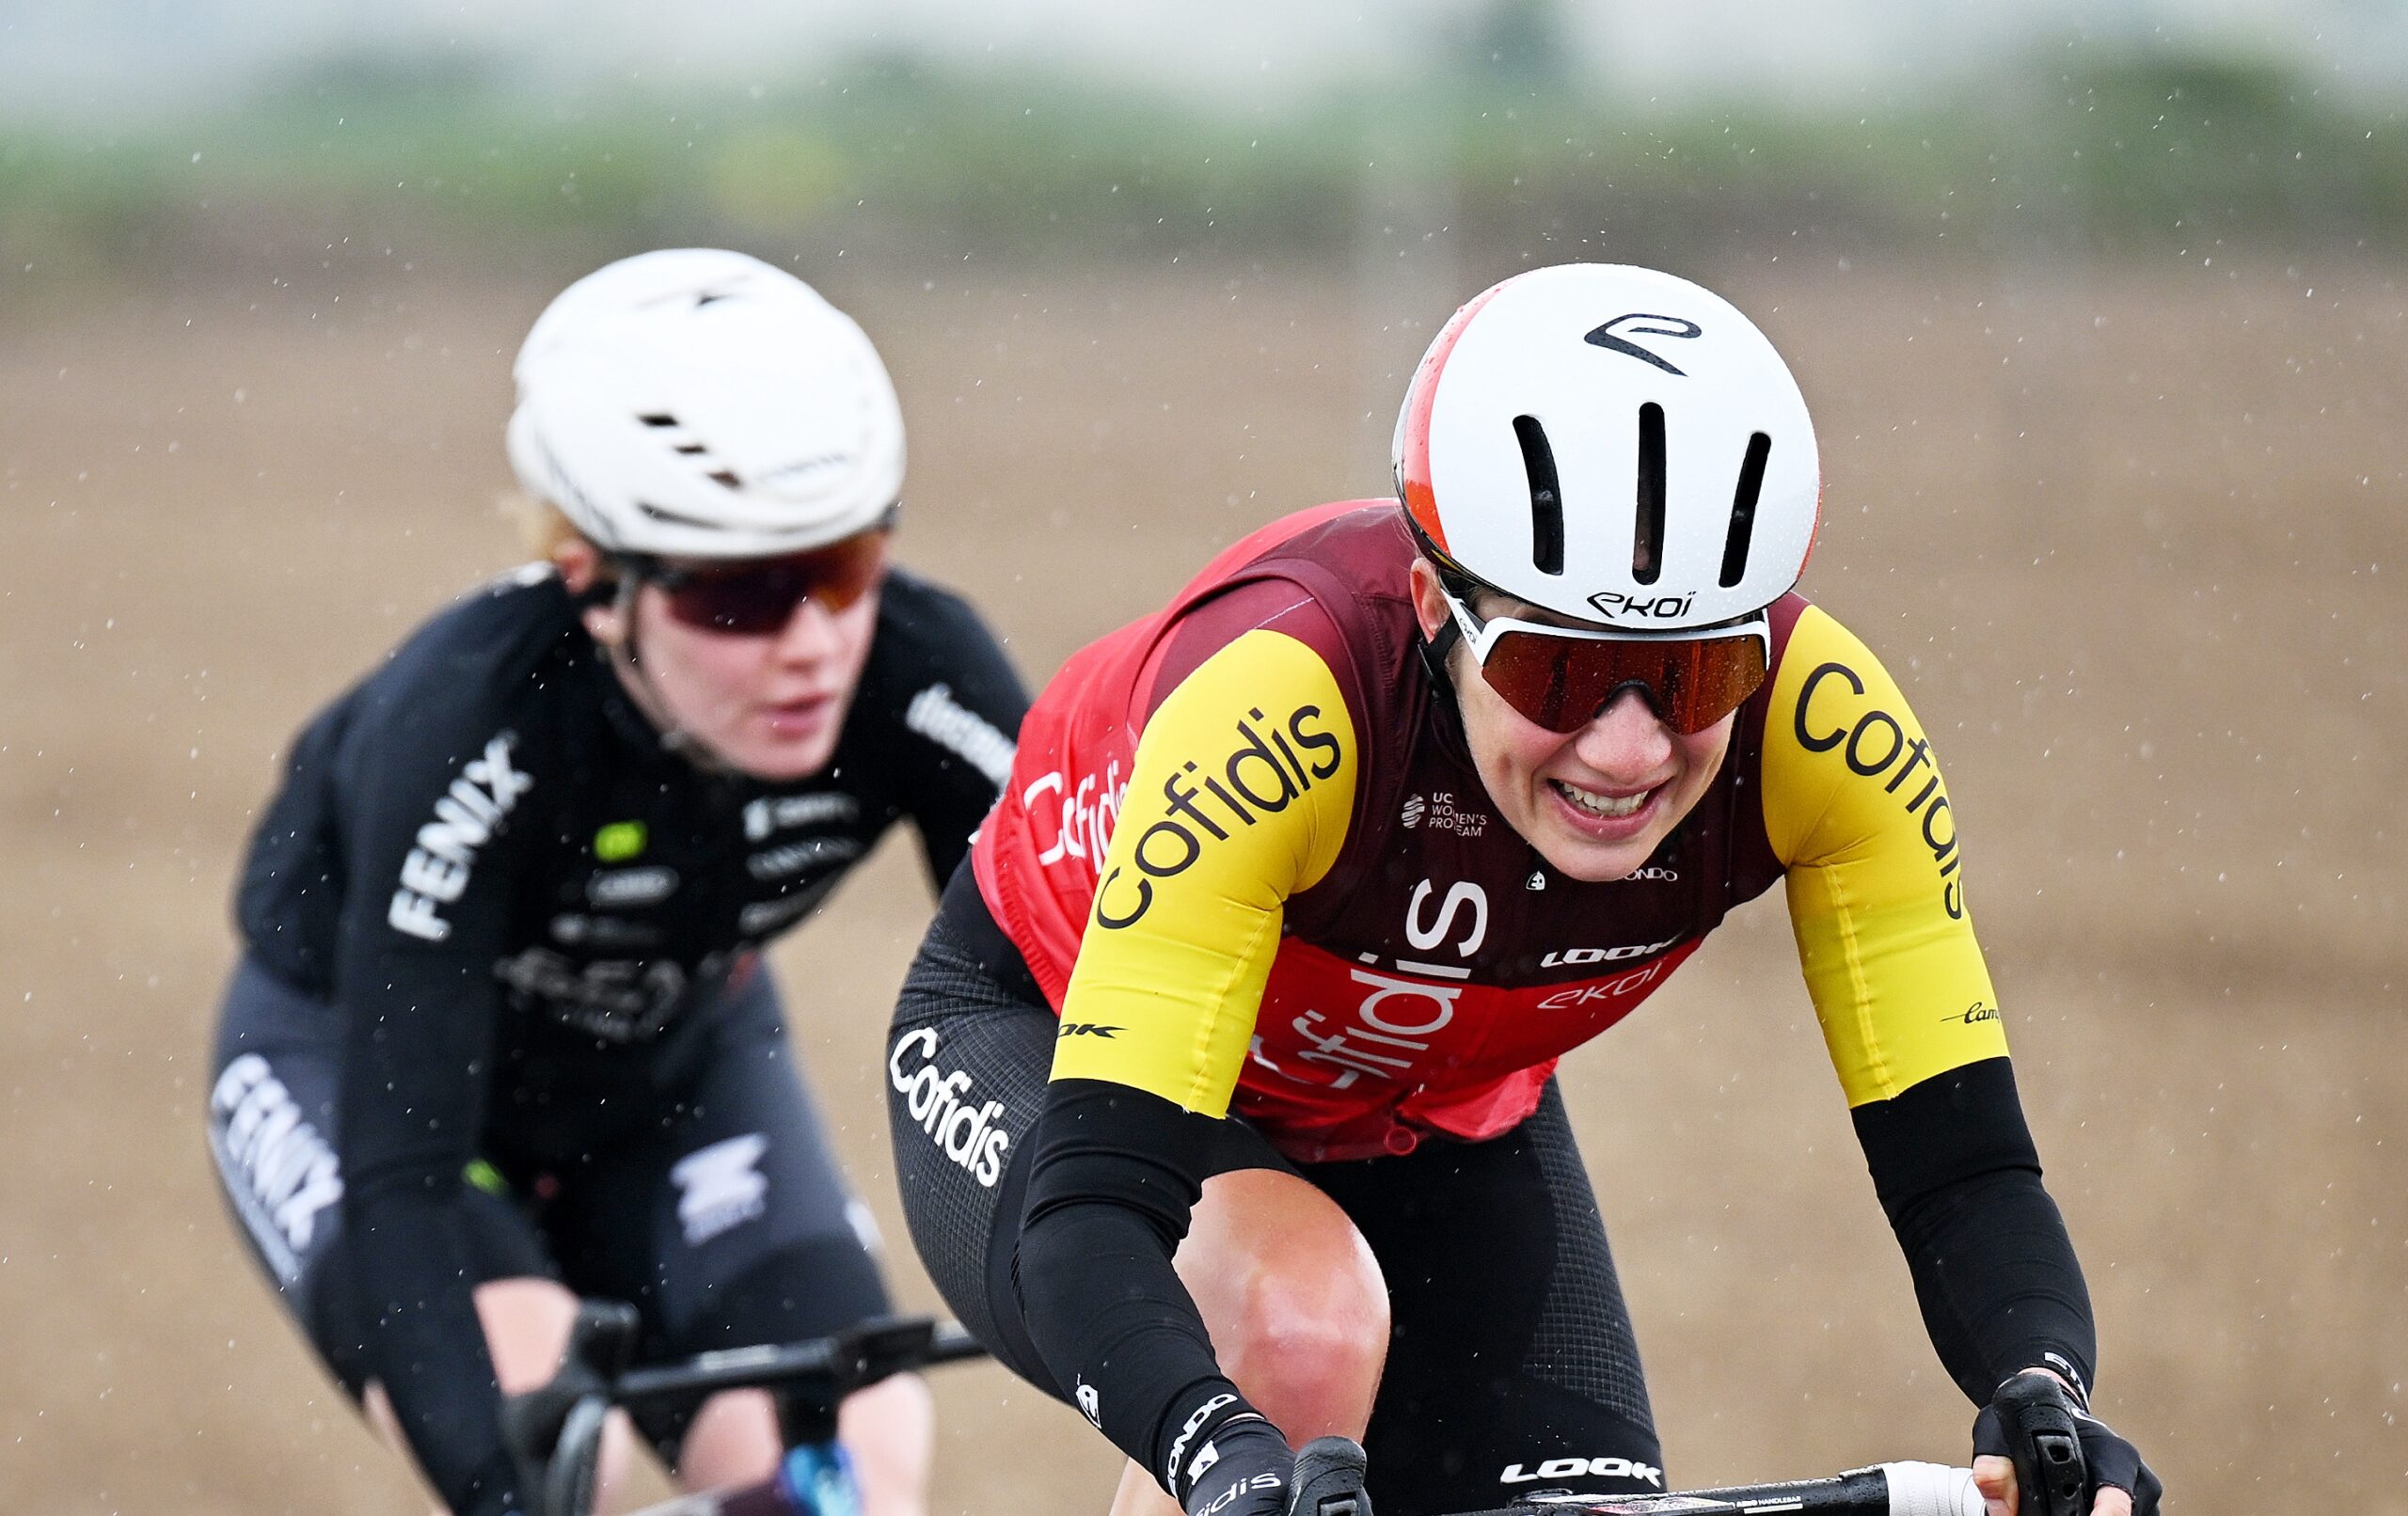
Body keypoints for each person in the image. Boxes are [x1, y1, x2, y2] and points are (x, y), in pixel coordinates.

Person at [883, 263, 2162, 1516]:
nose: (1629, 751)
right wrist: (1212, 1448)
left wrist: (2041, 1387)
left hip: (1427, 1109)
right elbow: (1095, 1216)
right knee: (1297, 1326)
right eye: (1560, 672)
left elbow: (1964, 1168)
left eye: (1698, 675)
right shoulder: (1286, 709)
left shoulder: (1824, 733)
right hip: (1051, 1037)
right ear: (1435, 606)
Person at [207, 248, 1027, 1516]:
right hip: (375, 1076)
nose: (814, 646)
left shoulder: (921, 669)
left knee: (852, 1464)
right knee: (552, 1443)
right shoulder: (469, 725)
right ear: (596, 584)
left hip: (667, 1066)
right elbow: (404, 1179)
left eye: (848, 567)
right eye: (742, 598)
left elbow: (1081, 990)